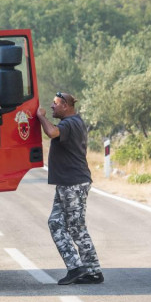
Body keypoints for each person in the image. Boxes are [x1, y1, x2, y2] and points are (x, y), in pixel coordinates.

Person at [35, 91, 103, 285]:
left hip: (73, 184)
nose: (52, 106)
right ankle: (81, 268)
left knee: (76, 227)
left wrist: (41, 117)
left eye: (55, 103)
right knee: (56, 223)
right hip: (67, 183)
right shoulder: (74, 122)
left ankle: (90, 270)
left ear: (65, 105)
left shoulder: (69, 124)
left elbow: (52, 132)